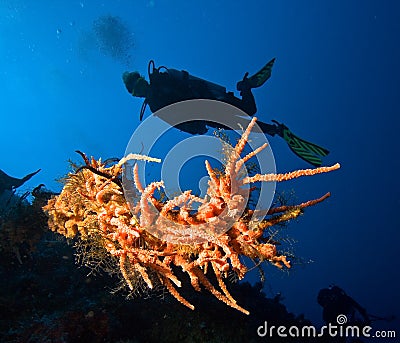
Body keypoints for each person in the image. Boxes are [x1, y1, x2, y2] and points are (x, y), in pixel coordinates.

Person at [123, 59, 330, 166]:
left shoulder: (162, 77)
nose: (141, 88)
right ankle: (278, 131)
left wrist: (216, 91)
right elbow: (175, 122)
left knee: (249, 110)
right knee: (244, 125)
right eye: (136, 90)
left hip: (209, 98)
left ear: (143, 78)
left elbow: (190, 80)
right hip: (207, 116)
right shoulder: (155, 107)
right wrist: (194, 128)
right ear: (135, 96)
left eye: (139, 82)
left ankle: (246, 86)